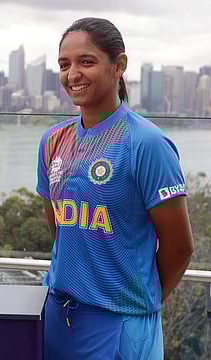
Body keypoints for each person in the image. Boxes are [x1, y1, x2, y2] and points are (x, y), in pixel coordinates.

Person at [36, 17, 194, 359]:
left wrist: (136, 300)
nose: (73, 74)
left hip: (122, 326)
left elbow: (179, 247)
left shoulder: (146, 144)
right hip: (57, 317)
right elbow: (58, 227)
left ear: (118, 66)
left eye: (86, 62)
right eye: (65, 65)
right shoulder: (52, 141)